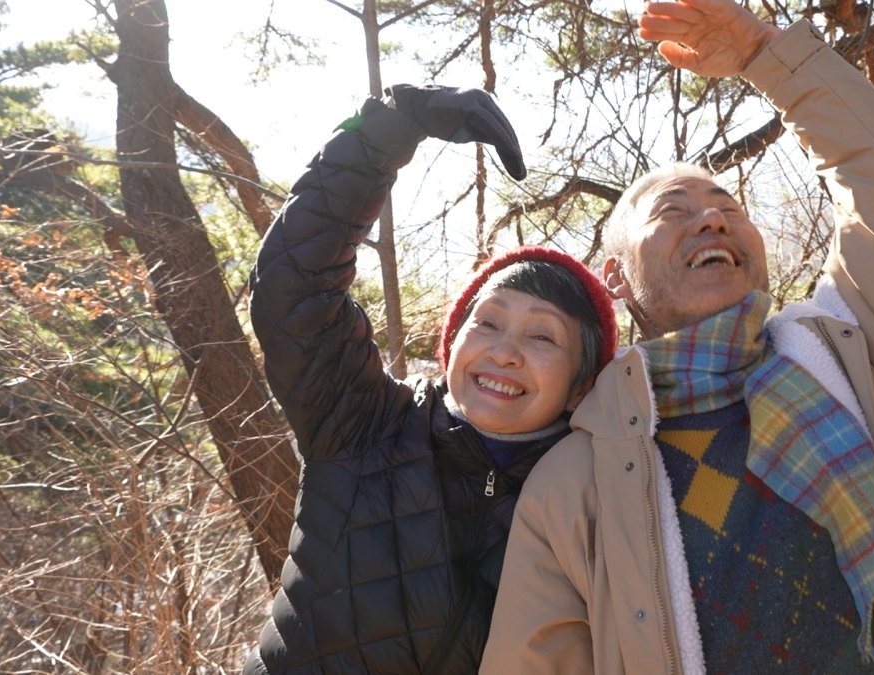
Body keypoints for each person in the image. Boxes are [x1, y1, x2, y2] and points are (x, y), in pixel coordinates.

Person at [480, 1, 874, 674]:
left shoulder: (857, 346)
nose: (713, 222)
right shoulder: (574, 482)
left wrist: (767, 58)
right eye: (675, 212)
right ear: (616, 278)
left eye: (729, 209)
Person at [243, 84, 619, 674]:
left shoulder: (600, 492)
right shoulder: (362, 422)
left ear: (580, 384)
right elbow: (293, 290)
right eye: (487, 323)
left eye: (543, 336)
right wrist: (382, 134)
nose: (505, 352)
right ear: (452, 347)